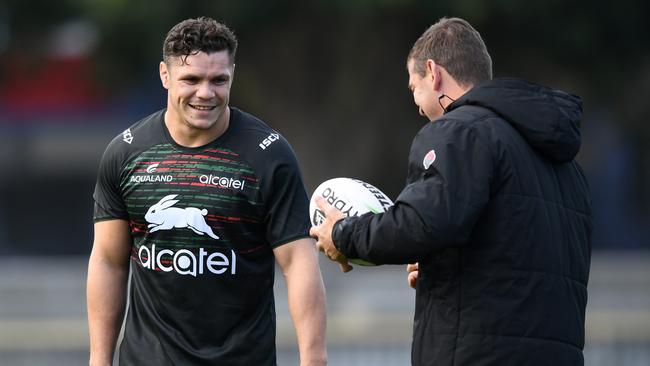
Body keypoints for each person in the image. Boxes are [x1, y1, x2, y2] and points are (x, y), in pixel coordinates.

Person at [310, 17, 592, 365]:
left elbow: (421, 224)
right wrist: (441, 265)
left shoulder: (458, 131)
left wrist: (343, 234)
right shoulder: (565, 162)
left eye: (414, 87)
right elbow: (517, 258)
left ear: (433, 72)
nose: (416, 103)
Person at [87, 17, 327, 366]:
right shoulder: (126, 153)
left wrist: (314, 360)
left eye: (218, 80)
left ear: (232, 75)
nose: (205, 93)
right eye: (191, 79)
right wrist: (99, 360)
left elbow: (299, 262)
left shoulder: (268, 155)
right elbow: (108, 261)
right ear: (165, 76)